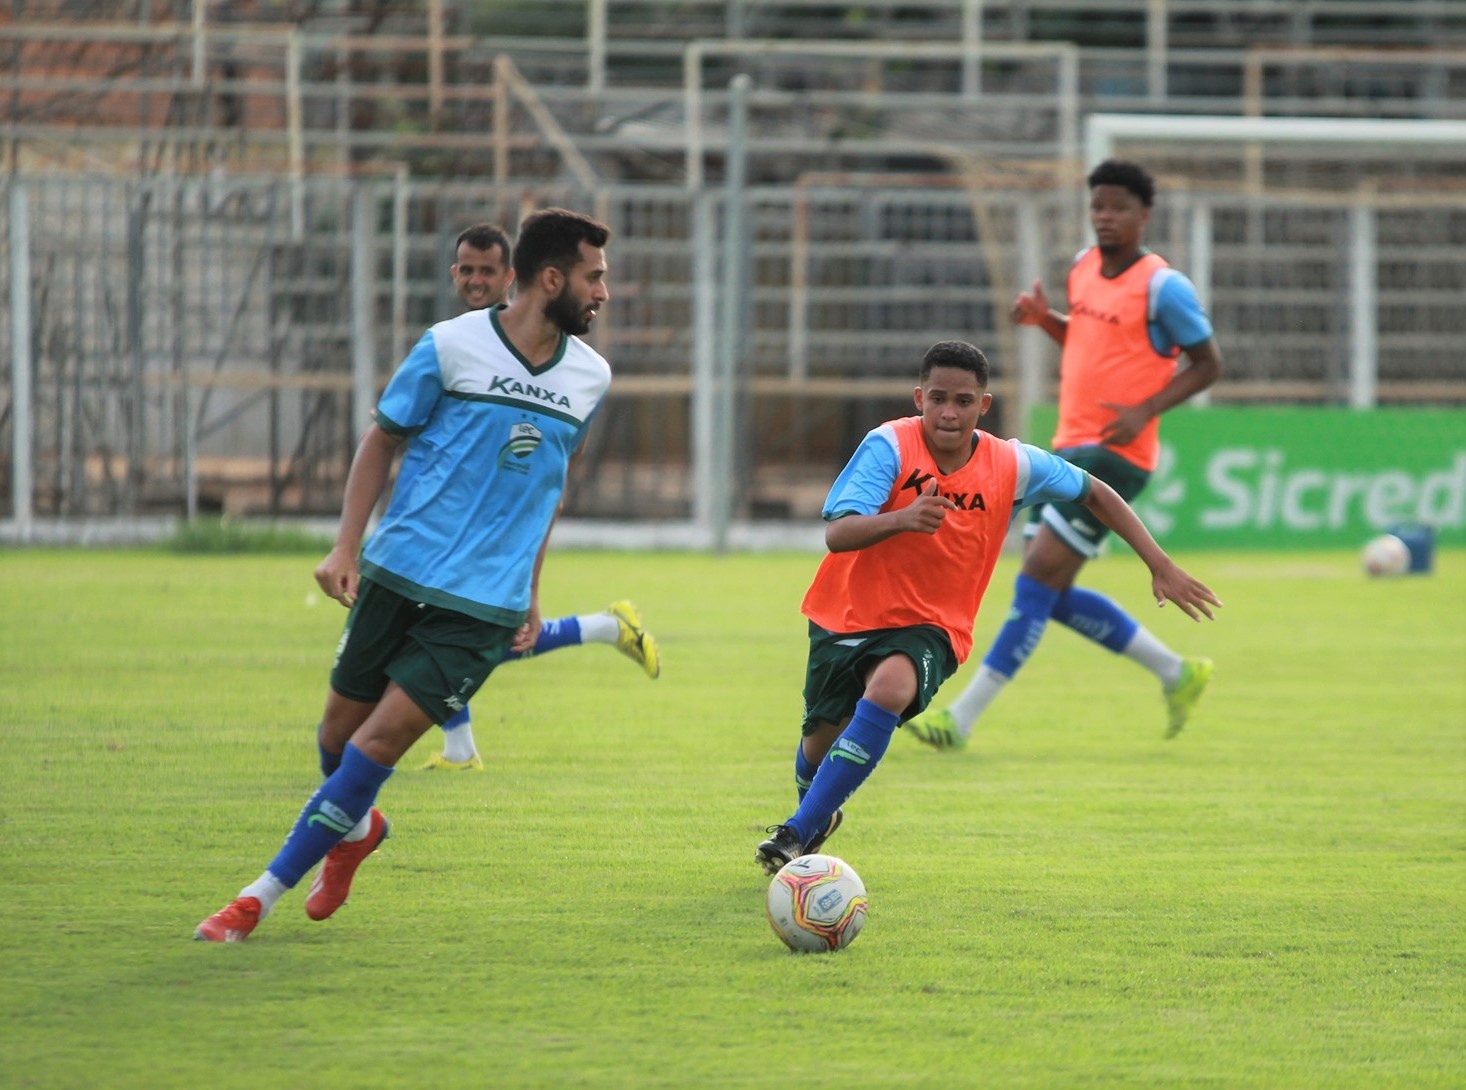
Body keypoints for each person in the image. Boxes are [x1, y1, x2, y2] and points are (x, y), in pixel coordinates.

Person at [196, 208, 616, 941]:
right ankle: (358, 832)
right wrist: (344, 548)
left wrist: (530, 589)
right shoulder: (449, 346)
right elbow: (381, 439)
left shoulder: (590, 376)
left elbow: (547, 489)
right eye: (595, 277)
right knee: (336, 739)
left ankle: (254, 899)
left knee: (376, 745)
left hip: (482, 607)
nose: (603, 293)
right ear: (552, 280)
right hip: (397, 571)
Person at [755, 340, 1219, 874]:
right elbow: (839, 534)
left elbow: (1096, 492)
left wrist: (1158, 563)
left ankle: (795, 832)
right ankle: (815, 815)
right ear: (919, 399)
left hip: (934, 624)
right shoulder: (889, 446)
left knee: (891, 688)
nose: (949, 413)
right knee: (817, 750)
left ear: (984, 405)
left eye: (963, 401)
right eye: (937, 399)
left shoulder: (1012, 463)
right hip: (845, 615)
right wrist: (902, 519)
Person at [904, 159, 1224, 753]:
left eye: (1119, 207)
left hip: (1116, 453)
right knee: (1047, 594)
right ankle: (1176, 671)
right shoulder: (1083, 267)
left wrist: (1146, 409)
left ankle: (960, 720)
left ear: (1144, 215)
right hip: (1070, 444)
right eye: (1098, 206)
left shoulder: (1164, 286)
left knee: (1034, 584)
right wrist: (1044, 320)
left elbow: (1209, 363)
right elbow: (1090, 340)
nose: (1106, 217)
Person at [419, 223, 660, 772]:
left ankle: (603, 627)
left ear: (514, 277)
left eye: (488, 271)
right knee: (442, 640)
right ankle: (461, 746)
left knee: (453, 642)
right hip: (446, 528)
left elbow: (551, 472)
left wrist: (530, 574)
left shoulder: (563, 363)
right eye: (466, 270)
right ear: (452, 273)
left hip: (492, 533)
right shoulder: (455, 343)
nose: (476, 281)